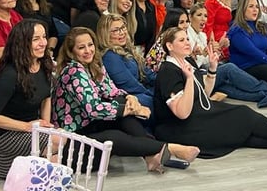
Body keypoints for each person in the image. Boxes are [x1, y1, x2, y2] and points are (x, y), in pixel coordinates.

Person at [153, 27, 267, 158]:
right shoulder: (168, 71)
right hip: (180, 128)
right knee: (243, 117)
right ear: (169, 46)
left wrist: (212, 69)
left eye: (187, 39)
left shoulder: (187, 61)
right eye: (182, 40)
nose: (187, 43)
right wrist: (189, 79)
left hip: (199, 113)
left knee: (243, 128)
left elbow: (204, 94)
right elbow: (182, 113)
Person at [53, 27, 200, 173]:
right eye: (81, 47)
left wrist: (130, 98)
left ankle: (151, 155)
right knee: (113, 136)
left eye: (90, 45)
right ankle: (170, 148)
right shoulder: (73, 71)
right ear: (71, 52)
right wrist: (129, 109)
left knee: (123, 110)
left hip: (91, 127)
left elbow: (112, 91)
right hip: (72, 139)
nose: (88, 50)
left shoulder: (94, 65)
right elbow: (93, 110)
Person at [0, 20, 54, 179]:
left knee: (58, 157)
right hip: (7, 134)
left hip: (32, 128)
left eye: (44, 37)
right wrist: (28, 127)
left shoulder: (43, 65)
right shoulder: (11, 74)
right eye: (36, 39)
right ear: (22, 43)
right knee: (59, 140)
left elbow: (46, 98)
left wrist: (45, 125)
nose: (43, 43)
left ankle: (35, 178)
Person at [98, 14, 156, 111]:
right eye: (116, 30)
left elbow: (147, 73)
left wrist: (163, 83)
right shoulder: (110, 57)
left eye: (123, 28)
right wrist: (155, 94)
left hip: (143, 91)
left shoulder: (127, 49)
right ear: (105, 35)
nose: (122, 33)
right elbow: (130, 87)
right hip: (130, 98)